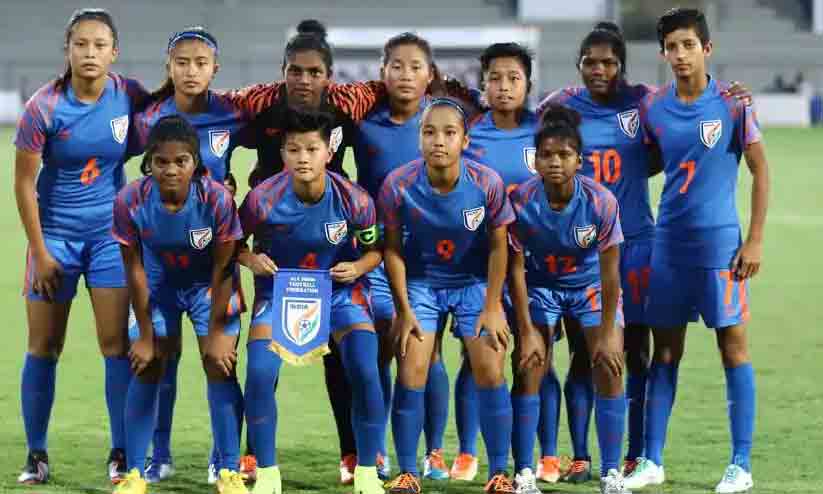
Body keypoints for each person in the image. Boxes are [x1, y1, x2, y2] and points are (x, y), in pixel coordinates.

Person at [624, 8, 769, 494]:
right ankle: (652, 461)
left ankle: (741, 465)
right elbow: (644, 162)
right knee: (665, 352)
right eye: (672, 47)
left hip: (720, 247)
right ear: (663, 53)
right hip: (668, 244)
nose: (681, 54)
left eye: (689, 45)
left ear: (707, 49)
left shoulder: (732, 104)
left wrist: (754, 239)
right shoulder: (654, 107)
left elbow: (761, 170)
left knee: (733, 349)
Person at [14, 8, 147, 485]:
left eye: (99, 45)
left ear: (114, 52)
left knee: (116, 346)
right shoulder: (43, 108)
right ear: (67, 50)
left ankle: (120, 451)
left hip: (110, 239)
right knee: (44, 346)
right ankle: (36, 454)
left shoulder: (128, 95)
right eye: (81, 44)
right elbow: (23, 184)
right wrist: (40, 252)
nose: (90, 53)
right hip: (54, 240)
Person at [131, 25, 254, 484]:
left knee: (220, 361)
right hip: (159, 262)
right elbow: (120, 163)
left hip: (213, 263)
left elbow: (278, 142)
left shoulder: (233, 114)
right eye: (181, 62)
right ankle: (156, 455)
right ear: (168, 66)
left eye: (201, 63)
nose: (190, 71)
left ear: (215, 68)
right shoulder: (147, 119)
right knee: (158, 361)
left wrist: (245, 187)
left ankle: (225, 460)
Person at [238, 108, 385, 494]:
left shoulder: (355, 200)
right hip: (280, 294)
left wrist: (358, 267)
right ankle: (267, 473)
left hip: (340, 294)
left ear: (328, 153)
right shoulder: (261, 200)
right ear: (282, 154)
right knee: (259, 374)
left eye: (311, 149)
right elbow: (232, 244)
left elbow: (376, 251)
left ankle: (366, 471)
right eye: (293, 150)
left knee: (365, 370)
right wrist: (251, 259)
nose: (303, 158)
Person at [379, 98, 516, 494]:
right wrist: (404, 309)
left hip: (473, 283)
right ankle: (408, 472)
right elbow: (391, 250)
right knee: (411, 369)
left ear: (465, 140)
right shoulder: (397, 184)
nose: (438, 141)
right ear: (419, 138)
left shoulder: (486, 183)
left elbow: (499, 246)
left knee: (490, 369)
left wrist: (493, 306)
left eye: (449, 133)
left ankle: (499, 474)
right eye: (429, 132)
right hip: (422, 283)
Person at [537, 22, 655, 482]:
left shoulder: (643, 103)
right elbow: (528, 135)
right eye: (590, 62)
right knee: (584, 354)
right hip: (579, 251)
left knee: (633, 353)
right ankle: (582, 456)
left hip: (635, 243)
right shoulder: (561, 106)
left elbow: (670, 136)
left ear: (622, 66)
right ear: (579, 65)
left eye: (609, 62)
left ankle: (635, 454)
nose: (599, 70)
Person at [111, 115, 246, 494]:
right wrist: (144, 335)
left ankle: (229, 470)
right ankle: (135, 473)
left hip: (209, 288)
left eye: (181, 161)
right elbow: (134, 269)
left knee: (219, 364)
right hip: (158, 289)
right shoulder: (130, 201)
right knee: (147, 365)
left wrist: (217, 332)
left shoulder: (216, 199)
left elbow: (223, 267)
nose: (171, 170)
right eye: (161, 161)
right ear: (149, 163)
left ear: (195, 163)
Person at [508, 105, 629, 494]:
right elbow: (514, 269)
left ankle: (611, 474)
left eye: (564, 155)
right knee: (529, 365)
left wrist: (608, 333)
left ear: (579, 160)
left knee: (610, 364)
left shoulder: (601, 201)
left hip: (589, 287)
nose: (555, 162)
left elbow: (611, 273)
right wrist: (526, 331)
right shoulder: (520, 201)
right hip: (541, 287)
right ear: (535, 161)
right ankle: (524, 473)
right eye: (547, 155)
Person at [353, 32, 452, 482]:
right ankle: (376, 451)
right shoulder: (364, 124)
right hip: (377, 257)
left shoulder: (442, 124)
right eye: (397, 66)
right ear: (383, 73)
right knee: (378, 351)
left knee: (427, 353)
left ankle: (434, 451)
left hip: (429, 261)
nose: (406, 75)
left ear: (430, 75)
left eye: (416, 67)